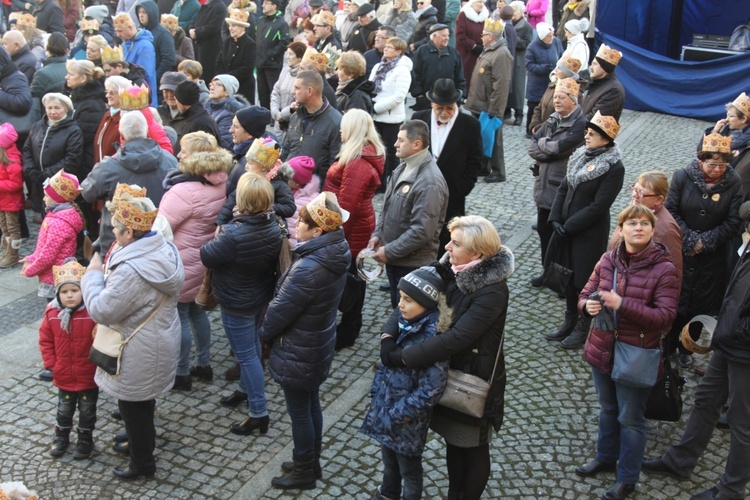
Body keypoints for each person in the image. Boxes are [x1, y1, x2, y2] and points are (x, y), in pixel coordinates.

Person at [381, 215, 513, 500]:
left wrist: (402, 357)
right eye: (449, 240)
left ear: (477, 253)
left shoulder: (492, 291)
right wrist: (387, 337)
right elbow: (409, 292)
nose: (447, 247)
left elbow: (456, 339)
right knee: (454, 442)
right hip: (445, 371)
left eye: (455, 243)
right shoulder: (449, 267)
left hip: (471, 378)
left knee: (472, 446)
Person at [642, 216, 750, 500]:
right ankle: (680, 461)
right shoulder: (747, 249)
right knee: (705, 401)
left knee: (742, 421)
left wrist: (734, 331)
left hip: (744, 351)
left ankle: (731, 490)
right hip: (728, 344)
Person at [82, 186, 184, 480]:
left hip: (137, 348)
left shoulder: (132, 269)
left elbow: (102, 310)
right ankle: (141, 445)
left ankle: (142, 464)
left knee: (133, 407)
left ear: (129, 234)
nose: (112, 233)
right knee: (142, 403)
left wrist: (91, 275)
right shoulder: (164, 247)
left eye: (116, 228)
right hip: (158, 339)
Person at [578, 204, 679, 500]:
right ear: (620, 229)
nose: (638, 228)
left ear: (651, 230)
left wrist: (623, 304)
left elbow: (665, 317)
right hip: (602, 348)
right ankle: (605, 457)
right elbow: (585, 293)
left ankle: (628, 478)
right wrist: (588, 306)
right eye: (632, 223)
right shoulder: (608, 259)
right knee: (608, 409)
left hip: (637, 354)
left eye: (644, 223)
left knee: (631, 419)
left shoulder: (665, 269)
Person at [259, 191, 350, 490]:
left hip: (299, 348)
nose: (296, 225)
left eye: (302, 222)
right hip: (316, 343)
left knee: (301, 411)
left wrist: (264, 335)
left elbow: (279, 313)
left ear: (318, 230)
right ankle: (311, 459)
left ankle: (303, 471)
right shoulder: (335, 251)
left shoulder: (309, 268)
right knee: (311, 405)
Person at [200, 173, 281, 434]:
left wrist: (221, 231)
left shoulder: (233, 234)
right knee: (253, 346)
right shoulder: (272, 225)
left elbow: (206, 255)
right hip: (258, 296)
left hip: (237, 302)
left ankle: (259, 412)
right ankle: (245, 390)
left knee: (246, 356)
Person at [361, 266, 448, 500]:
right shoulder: (406, 321)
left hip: (406, 420)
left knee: (409, 470)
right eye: (400, 297)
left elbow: (432, 388)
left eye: (408, 300)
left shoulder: (432, 337)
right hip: (388, 407)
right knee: (389, 461)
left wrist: (400, 413)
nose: (400, 304)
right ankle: (388, 493)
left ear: (426, 303)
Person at [159, 132, 231, 391]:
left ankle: (180, 373)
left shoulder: (183, 191)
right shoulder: (222, 183)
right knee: (198, 313)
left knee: (179, 316)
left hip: (180, 262)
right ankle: (203, 363)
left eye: (184, 151)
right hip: (204, 261)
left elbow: (160, 228)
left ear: (197, 157)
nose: (178, 155)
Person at [546, 111, 625, 349]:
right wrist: (555, 218)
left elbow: (599, 205)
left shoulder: (613, 167)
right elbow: (563, 188)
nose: (587, 137)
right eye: (586, 133)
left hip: (588, 233)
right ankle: (568, 321)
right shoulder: (579, 156)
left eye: (592, 134)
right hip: (566, 229)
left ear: (605, 139)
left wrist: (569, 226)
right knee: (567, 278)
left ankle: (583, 327)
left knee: (584, 281)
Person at [665, 133, 743, 368]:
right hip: (681, 252)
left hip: (713, 257)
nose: (717, 169)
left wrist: (705, 242)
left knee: (702, 304)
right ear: (701, 161)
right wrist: (690, 240)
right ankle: (666, 344)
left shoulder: (734, 183)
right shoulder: (682, 177)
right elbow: (671, 210)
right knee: (676, 299)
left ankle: (686, 348)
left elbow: (733, 221)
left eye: (722, 164)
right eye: (712, 164)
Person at [367, 119, 449, 308]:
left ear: (416, 144)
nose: (395, 144)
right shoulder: (403, 167)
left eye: (400, 140)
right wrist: (378, 234)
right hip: (397, 259)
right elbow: (387, 208)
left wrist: (389, 251)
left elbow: (422, 231)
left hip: (412, 264)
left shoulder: (429, 182)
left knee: (409, 316)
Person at [323, 109, 385, 349]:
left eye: (344, 126)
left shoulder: (358, 161)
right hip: (355, 225)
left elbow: (346, 207)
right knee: (352, 278)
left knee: (351, 280)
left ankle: (348, 330)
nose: (340, 129)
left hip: (352, 229)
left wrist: (334, 238)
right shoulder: (360, 154)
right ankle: (350, 326)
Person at [82, 111, 178, 253]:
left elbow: (87, 193)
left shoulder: (108, 166)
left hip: (117, 242)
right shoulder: (170, 161)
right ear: (146, 131)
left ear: (121, 136)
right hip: (157, 240)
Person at [39, 260, 98, 459]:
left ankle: (85, 439)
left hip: (88, 374)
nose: (70, 295)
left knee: (87, 410)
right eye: (65, 292)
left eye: (75, 290)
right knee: (64, 409)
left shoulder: (92, 314)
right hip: (64, 373)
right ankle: (61, 437)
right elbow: (46, 340)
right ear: (58, 294)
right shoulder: (53, 314)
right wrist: (52, 365)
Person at [414, 79, 482, 251]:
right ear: (432, 104)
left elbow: (475, 161)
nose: (444, 112)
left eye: (449, 108)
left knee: (449, 243)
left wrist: (462, 188)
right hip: (419, 193)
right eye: (439, 108)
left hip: (453, 196)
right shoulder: (418, 119)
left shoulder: (470, 125)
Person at [528, 77, 585, 279]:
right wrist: (547, 148)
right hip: (543, 186)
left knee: (560, 233)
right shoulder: (553, 118)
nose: (556, 101)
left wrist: (544, 146)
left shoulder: (580, 124)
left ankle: (561, 277)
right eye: (555, 97)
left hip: (563, 188)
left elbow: (562, 147)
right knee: (544, 231)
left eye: (561, 97)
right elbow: (533, 147)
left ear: (573, 100)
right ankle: (546, 272)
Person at [608, 171, 683, 289]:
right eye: (635, 189)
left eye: (642, 193)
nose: (635, 195)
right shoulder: (636, 211)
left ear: (658, 200)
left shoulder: (666, 230)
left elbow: (673, 275)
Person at [21, 170, 85, 299]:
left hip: (54, 277)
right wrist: (31, 258)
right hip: (56, 274)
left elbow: (48, 255)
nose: (43, 198)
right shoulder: (57, 216)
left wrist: (30, 270)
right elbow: (44, 247)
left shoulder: (58, 223)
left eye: (46, 196)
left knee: (56, 308)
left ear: (57, 199)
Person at [465, 18, 512, 184]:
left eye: (483, 35)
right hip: (480, 103)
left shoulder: (501, 54)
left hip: (489, 106)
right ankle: (484, 167)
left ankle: (498, 171)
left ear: (491, 37)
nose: (481, 37)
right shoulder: (490, 49)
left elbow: (501, 85)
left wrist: (495, 109)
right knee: (482, 137)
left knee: (494, 139)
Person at [22, 93, 84, 216]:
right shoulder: (37, 126)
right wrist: (30, 170)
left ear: (65, 109)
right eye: (49, 108)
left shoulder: (73, 130)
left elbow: (72, 159)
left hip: (58, 183)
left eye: (57, 108)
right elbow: (27, 149)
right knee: (42, 212)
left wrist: (46, 174)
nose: (53, 111)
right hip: (37, 180)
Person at [281, 70, 342, 181]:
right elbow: (287, 149)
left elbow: (335, 165)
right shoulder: (295, 116)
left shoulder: (335, 122)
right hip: (289, 187)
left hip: (313, 191)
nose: (293, 92)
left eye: (297, 88)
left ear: (310, 91)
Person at [64, 60, 107, 177]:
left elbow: (82, 135)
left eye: (71, 74)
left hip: (84, 163)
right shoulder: (77, 99)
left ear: (83, 78)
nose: (66, 77)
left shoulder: (91, 105)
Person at [410, 24, 465, 111]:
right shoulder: (421, 51)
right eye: (444, 35)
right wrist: (418, 94)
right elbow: (414, 74)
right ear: (434, 36)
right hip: (426, 99)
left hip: (449, 100)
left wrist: (461, 94)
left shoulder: (454, 53)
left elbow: (460, 76)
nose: (447, 38)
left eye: (448, 35)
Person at [707, 92, 750, 198]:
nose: (726, 119)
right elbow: (702, 154)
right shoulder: (723, 132)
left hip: (734, 194)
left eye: (731, 116)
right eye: (727, 115)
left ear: (743, 119)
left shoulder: (747, 144)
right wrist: (714, 132)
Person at [113, 13, 158, 107]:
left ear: (130, 27)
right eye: (116, 31)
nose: (118, 35)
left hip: (142, 98)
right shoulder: (125, 44)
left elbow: (145, 74)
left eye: (120, 31)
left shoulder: (145, 46)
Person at [529, 52, 580, 136]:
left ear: (566, 73)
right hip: (539, 133)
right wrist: (534, 126)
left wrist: (541, 130)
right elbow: (539, 107)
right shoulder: (552, 85)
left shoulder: (574, 92)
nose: (555, 70)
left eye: (559, 68)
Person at [171, 80, 221, 155]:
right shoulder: (196, 117)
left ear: (182, 100)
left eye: (176, 99)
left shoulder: (199, 123)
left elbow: (203, 157)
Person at [256, 0, 291, 111]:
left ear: (274, 6)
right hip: (260, 63)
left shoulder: (281, 23)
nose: (263, 5)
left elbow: (284, 42)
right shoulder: (261, 20)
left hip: (272, 64)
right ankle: (264, 115)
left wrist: (270, 54)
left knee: (273, 92)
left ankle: (274, 116)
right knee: (262, 93)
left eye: (266, 3)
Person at [270, 41, 307, 143]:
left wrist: (283, 114)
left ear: (299, 57)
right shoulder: (285, 71)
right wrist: (275, 112)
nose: (287, 57)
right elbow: (276, 92)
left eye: (290, 54)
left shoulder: (303, 76)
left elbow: (298, 102)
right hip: (279, 120)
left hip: (292, 124)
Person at [219, 8, 257, 103]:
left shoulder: (250, 44)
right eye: (230, 26)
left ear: (242, 27)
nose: (230, 28)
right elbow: (219, 61)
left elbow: (247, 67)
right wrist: (221, 78)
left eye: (234, 26)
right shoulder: (227, 41)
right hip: (226, 87)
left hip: (243, 88)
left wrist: (228, 77)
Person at [0, 123, 25, 269]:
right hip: (3, 201)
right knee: (4, 227)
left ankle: (13, 254)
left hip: (10, 202)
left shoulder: (12, 160)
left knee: (12, 228)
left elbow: (15, 184)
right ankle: (6, 251)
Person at [136, 0, 176, 87]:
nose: (141, 15)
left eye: (144, 12)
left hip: (157, 84)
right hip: (140, 81)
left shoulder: (163, 34)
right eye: (139, 12)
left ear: (151, 13)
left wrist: (155, 78)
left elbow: (168, 60)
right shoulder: (138, 32)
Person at [581, 43, 625, 121]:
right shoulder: (596, 83)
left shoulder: (614, 90)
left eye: (595, 64)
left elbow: (595, 119)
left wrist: (573, 126)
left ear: (604, 68)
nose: (591, 67)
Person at [205, 74, 251, 150]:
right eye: (211, 84)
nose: (212, 88)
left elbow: (224, 142)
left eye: (217, 85)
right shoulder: (208, 107)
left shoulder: (231, 113)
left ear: (227, 91)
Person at [506, 1, 533, 125]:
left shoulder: (526, 26)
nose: (513, 13)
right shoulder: (506, 24)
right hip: (506, 59)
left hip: (518, 60)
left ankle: (519, 113)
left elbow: (526, 43)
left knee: (518, 87)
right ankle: (506, 110)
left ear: (521, 12)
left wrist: (513, 37)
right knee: (506, 86)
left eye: (515, 10)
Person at [188, 0, 227, 83]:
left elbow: (213, 27)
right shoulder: (206, 5)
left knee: (207, 76)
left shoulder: (219, 6)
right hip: (199, 46)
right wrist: (191, 28)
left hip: (210, 49)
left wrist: (197, 32)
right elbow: (195, 20)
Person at [455, 0, 489, 92]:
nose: (481, 4)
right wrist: (473, 46)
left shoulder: (485, 17)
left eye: (483, 2)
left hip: (481, 52)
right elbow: (460, 35)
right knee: (466, 75)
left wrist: (484, 45)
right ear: (472, 3)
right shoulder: (463, 15)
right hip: (466, 53)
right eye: (479, 2)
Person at [284, 156, 318, 246]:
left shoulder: (311, 202)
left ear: (297, 182)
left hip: (294, 248)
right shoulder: (286, 190)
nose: (284, 178)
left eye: (288, 177)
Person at [30, 33, 69, 99]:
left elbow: (31, 98)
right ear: (66, 50)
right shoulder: (72, 68)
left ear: (47, 48)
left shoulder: (42, 74)